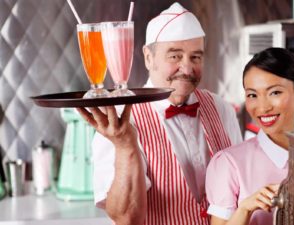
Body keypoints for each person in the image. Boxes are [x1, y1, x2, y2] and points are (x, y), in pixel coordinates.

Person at [77, 2, 242, 225]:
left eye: (196, 57)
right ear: (148, 57)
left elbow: (241, 189)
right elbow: (127, 219)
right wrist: (126, 146)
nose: (187, 68)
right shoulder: (118, 120)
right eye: (175, 56)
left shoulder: (221, 108)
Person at [205, 47, 294, 225]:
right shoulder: (229, 164)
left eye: (275, 92)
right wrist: (245, 209)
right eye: (253, 95)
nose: (263, 107)